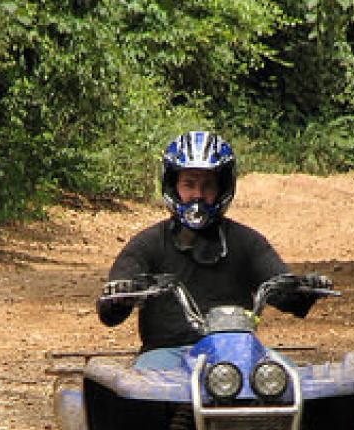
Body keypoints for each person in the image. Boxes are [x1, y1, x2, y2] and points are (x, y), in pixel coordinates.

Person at [97, 130, 331, 370]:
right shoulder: (148, 243)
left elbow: (281, 285)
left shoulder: (246, 241)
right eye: (189, 184)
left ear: (222, 188)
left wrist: (304, 288)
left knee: (291, 381)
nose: (198, 195)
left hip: (238, 352)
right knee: (141, 392)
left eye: (207, 185)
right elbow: (110, 309)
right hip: (166, 353)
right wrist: (122, 295)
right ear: (172, 186)